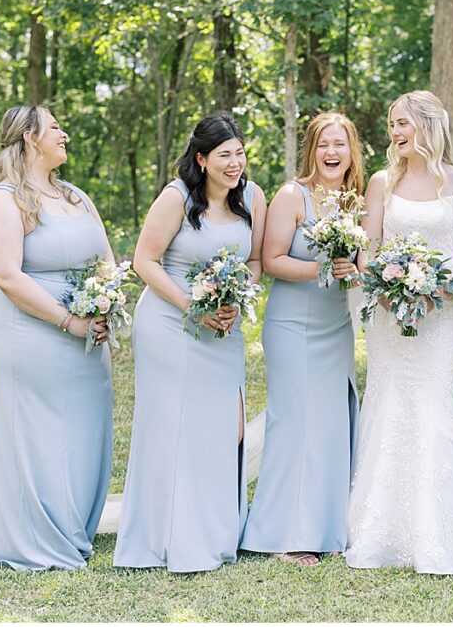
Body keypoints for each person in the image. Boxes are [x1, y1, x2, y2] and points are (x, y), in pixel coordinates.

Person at [0, 105, 114, 570]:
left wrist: (105, 301)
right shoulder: (4, 200)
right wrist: (70, 320)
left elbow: (105, 256)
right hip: (30, 332)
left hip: (88, 328)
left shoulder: (75, 195)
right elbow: (7, 276)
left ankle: (72, 523)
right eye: (56, 127)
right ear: (29, 137)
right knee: (38, 428)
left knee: (87, 422)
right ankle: (34, 533)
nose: (64, 133)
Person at [113, 113, 266, 573]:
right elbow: (145, 260)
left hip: (224, 323)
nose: (235, 163)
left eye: (239, 153)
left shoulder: (253, 197)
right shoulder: (176, 197)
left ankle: (217, 528)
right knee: (176, 426)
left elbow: (256, 260)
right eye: (225, 155)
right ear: (201, 159)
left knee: (228, 425)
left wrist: (237, 298)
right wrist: (191, 306)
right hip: (169, 323)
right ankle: (169, 536)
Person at [345, 90, 453, 575]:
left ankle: (441, 528)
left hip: (443, 317)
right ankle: (380, 529)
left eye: (402, 122)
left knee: (435, 403)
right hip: (390, 316)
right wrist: (390, 290)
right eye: (392, 124)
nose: (395, 132)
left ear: (427, 125)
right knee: (389, 404)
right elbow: (368, 250)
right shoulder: (383, 183)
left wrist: (436, 288)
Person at [241, 112, 365, 565]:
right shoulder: (293, 195)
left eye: (340, 144)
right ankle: (284, 534)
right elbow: (271, 260)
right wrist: (322, 270)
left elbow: (358, 267)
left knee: (330, 424)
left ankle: (326, 527)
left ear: (352, 150)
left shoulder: (356, 203)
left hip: (336, 326)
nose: (332, 153)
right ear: (311, 150)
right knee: (294, 423)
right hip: (292, 325)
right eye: (323, 145)